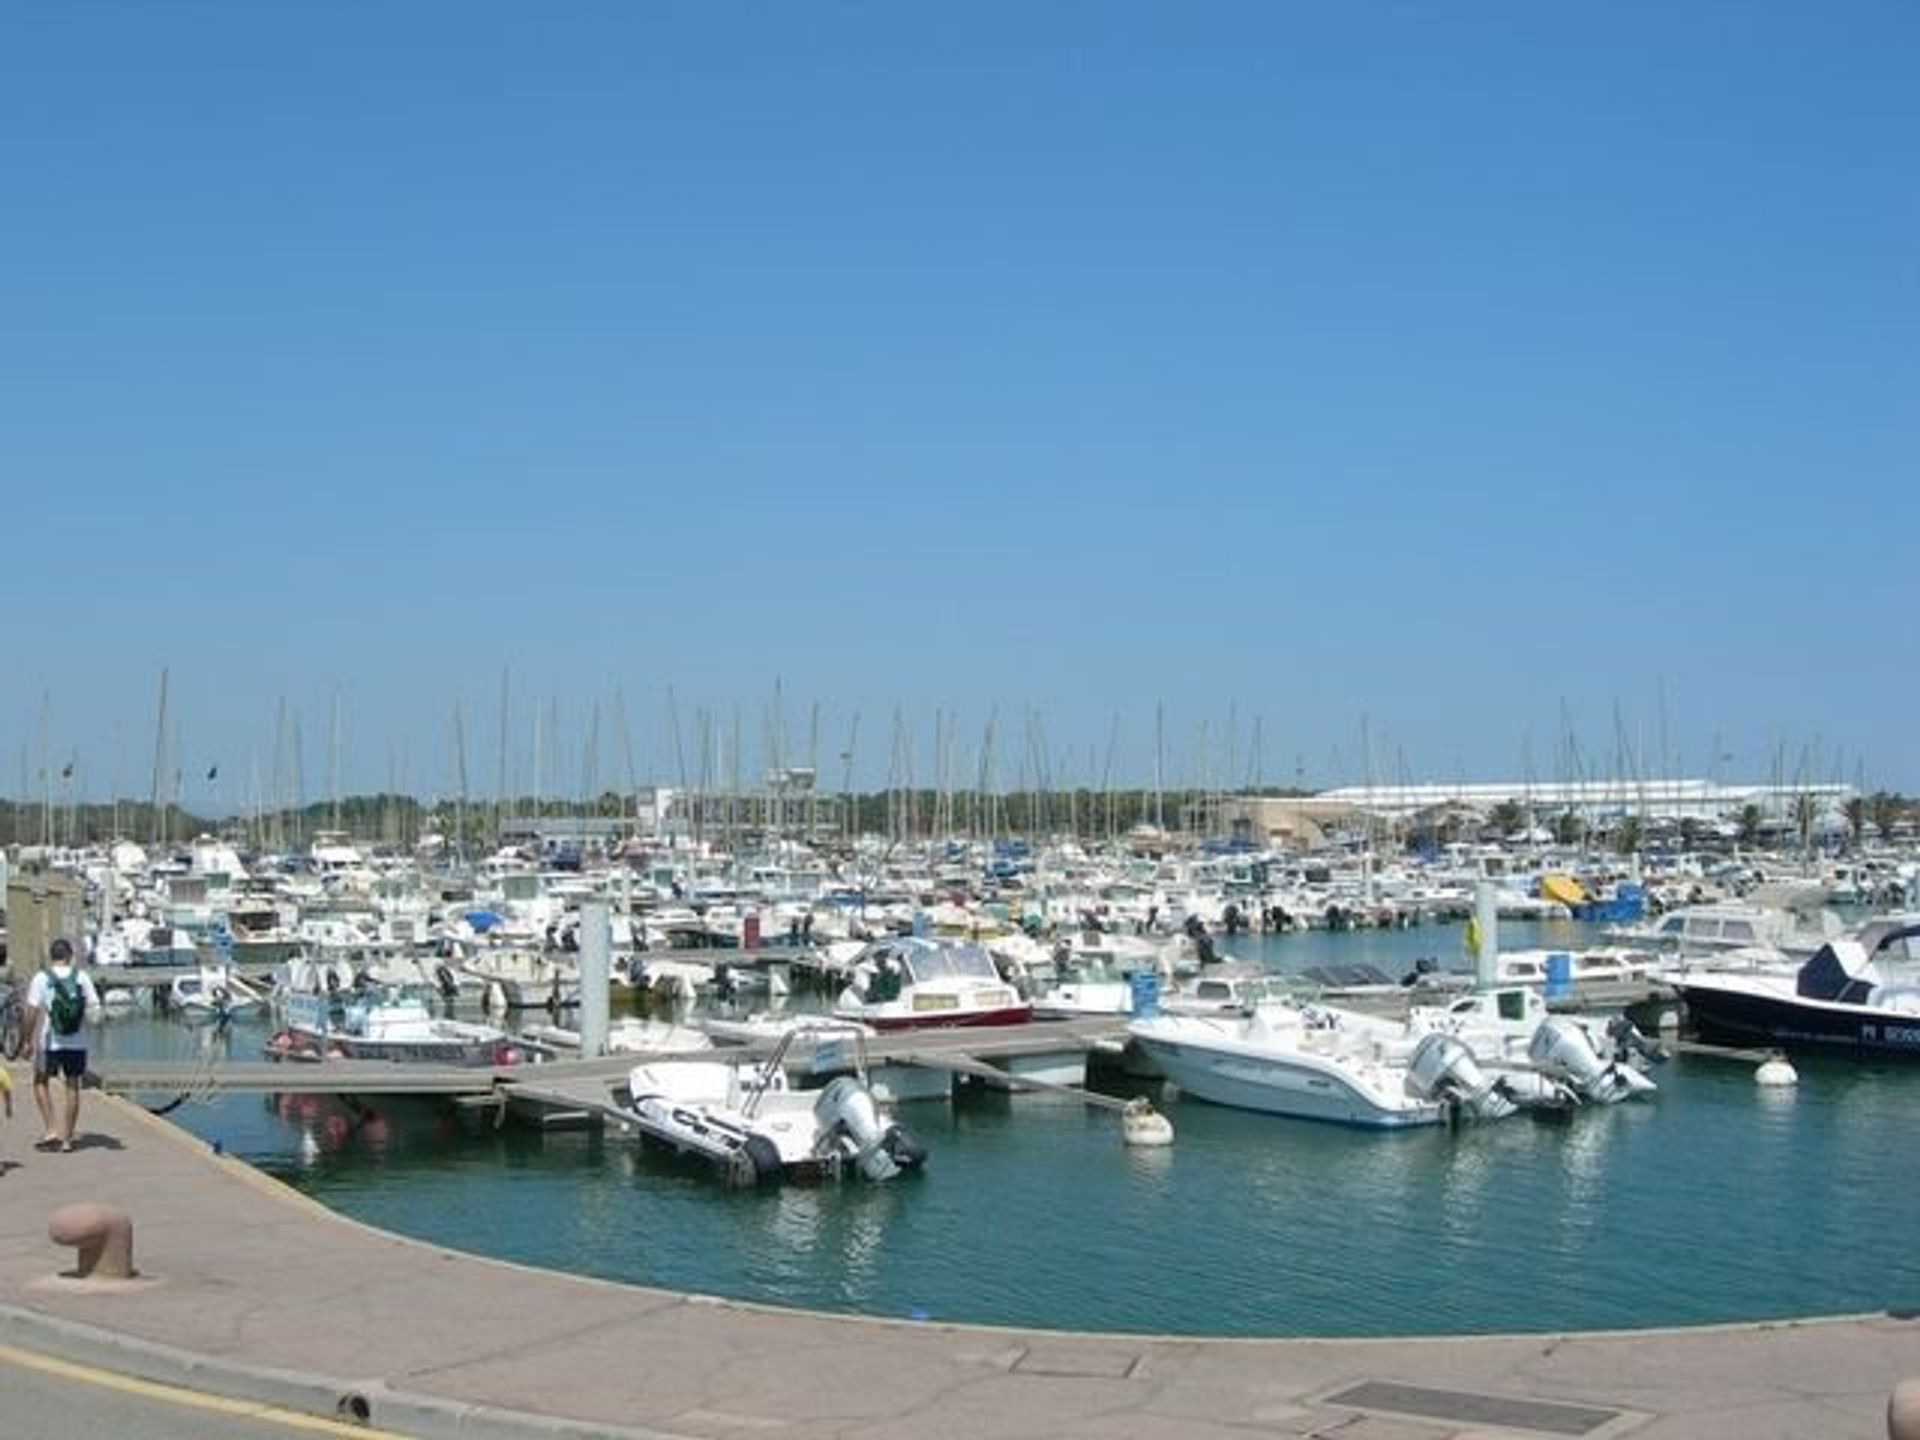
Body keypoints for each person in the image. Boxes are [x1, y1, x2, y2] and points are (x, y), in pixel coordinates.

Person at [27, 937, 100, 1153]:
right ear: (69, 957)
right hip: (77, 1043)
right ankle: (67, 1139)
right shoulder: (82, 977)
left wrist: (25, 1040)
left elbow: (31, 1012)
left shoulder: (42, 978)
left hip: (50, 1043)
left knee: (40, 1081)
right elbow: (95, 1009)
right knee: (72, 1086)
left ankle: (51, 1129)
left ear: (52, 956)